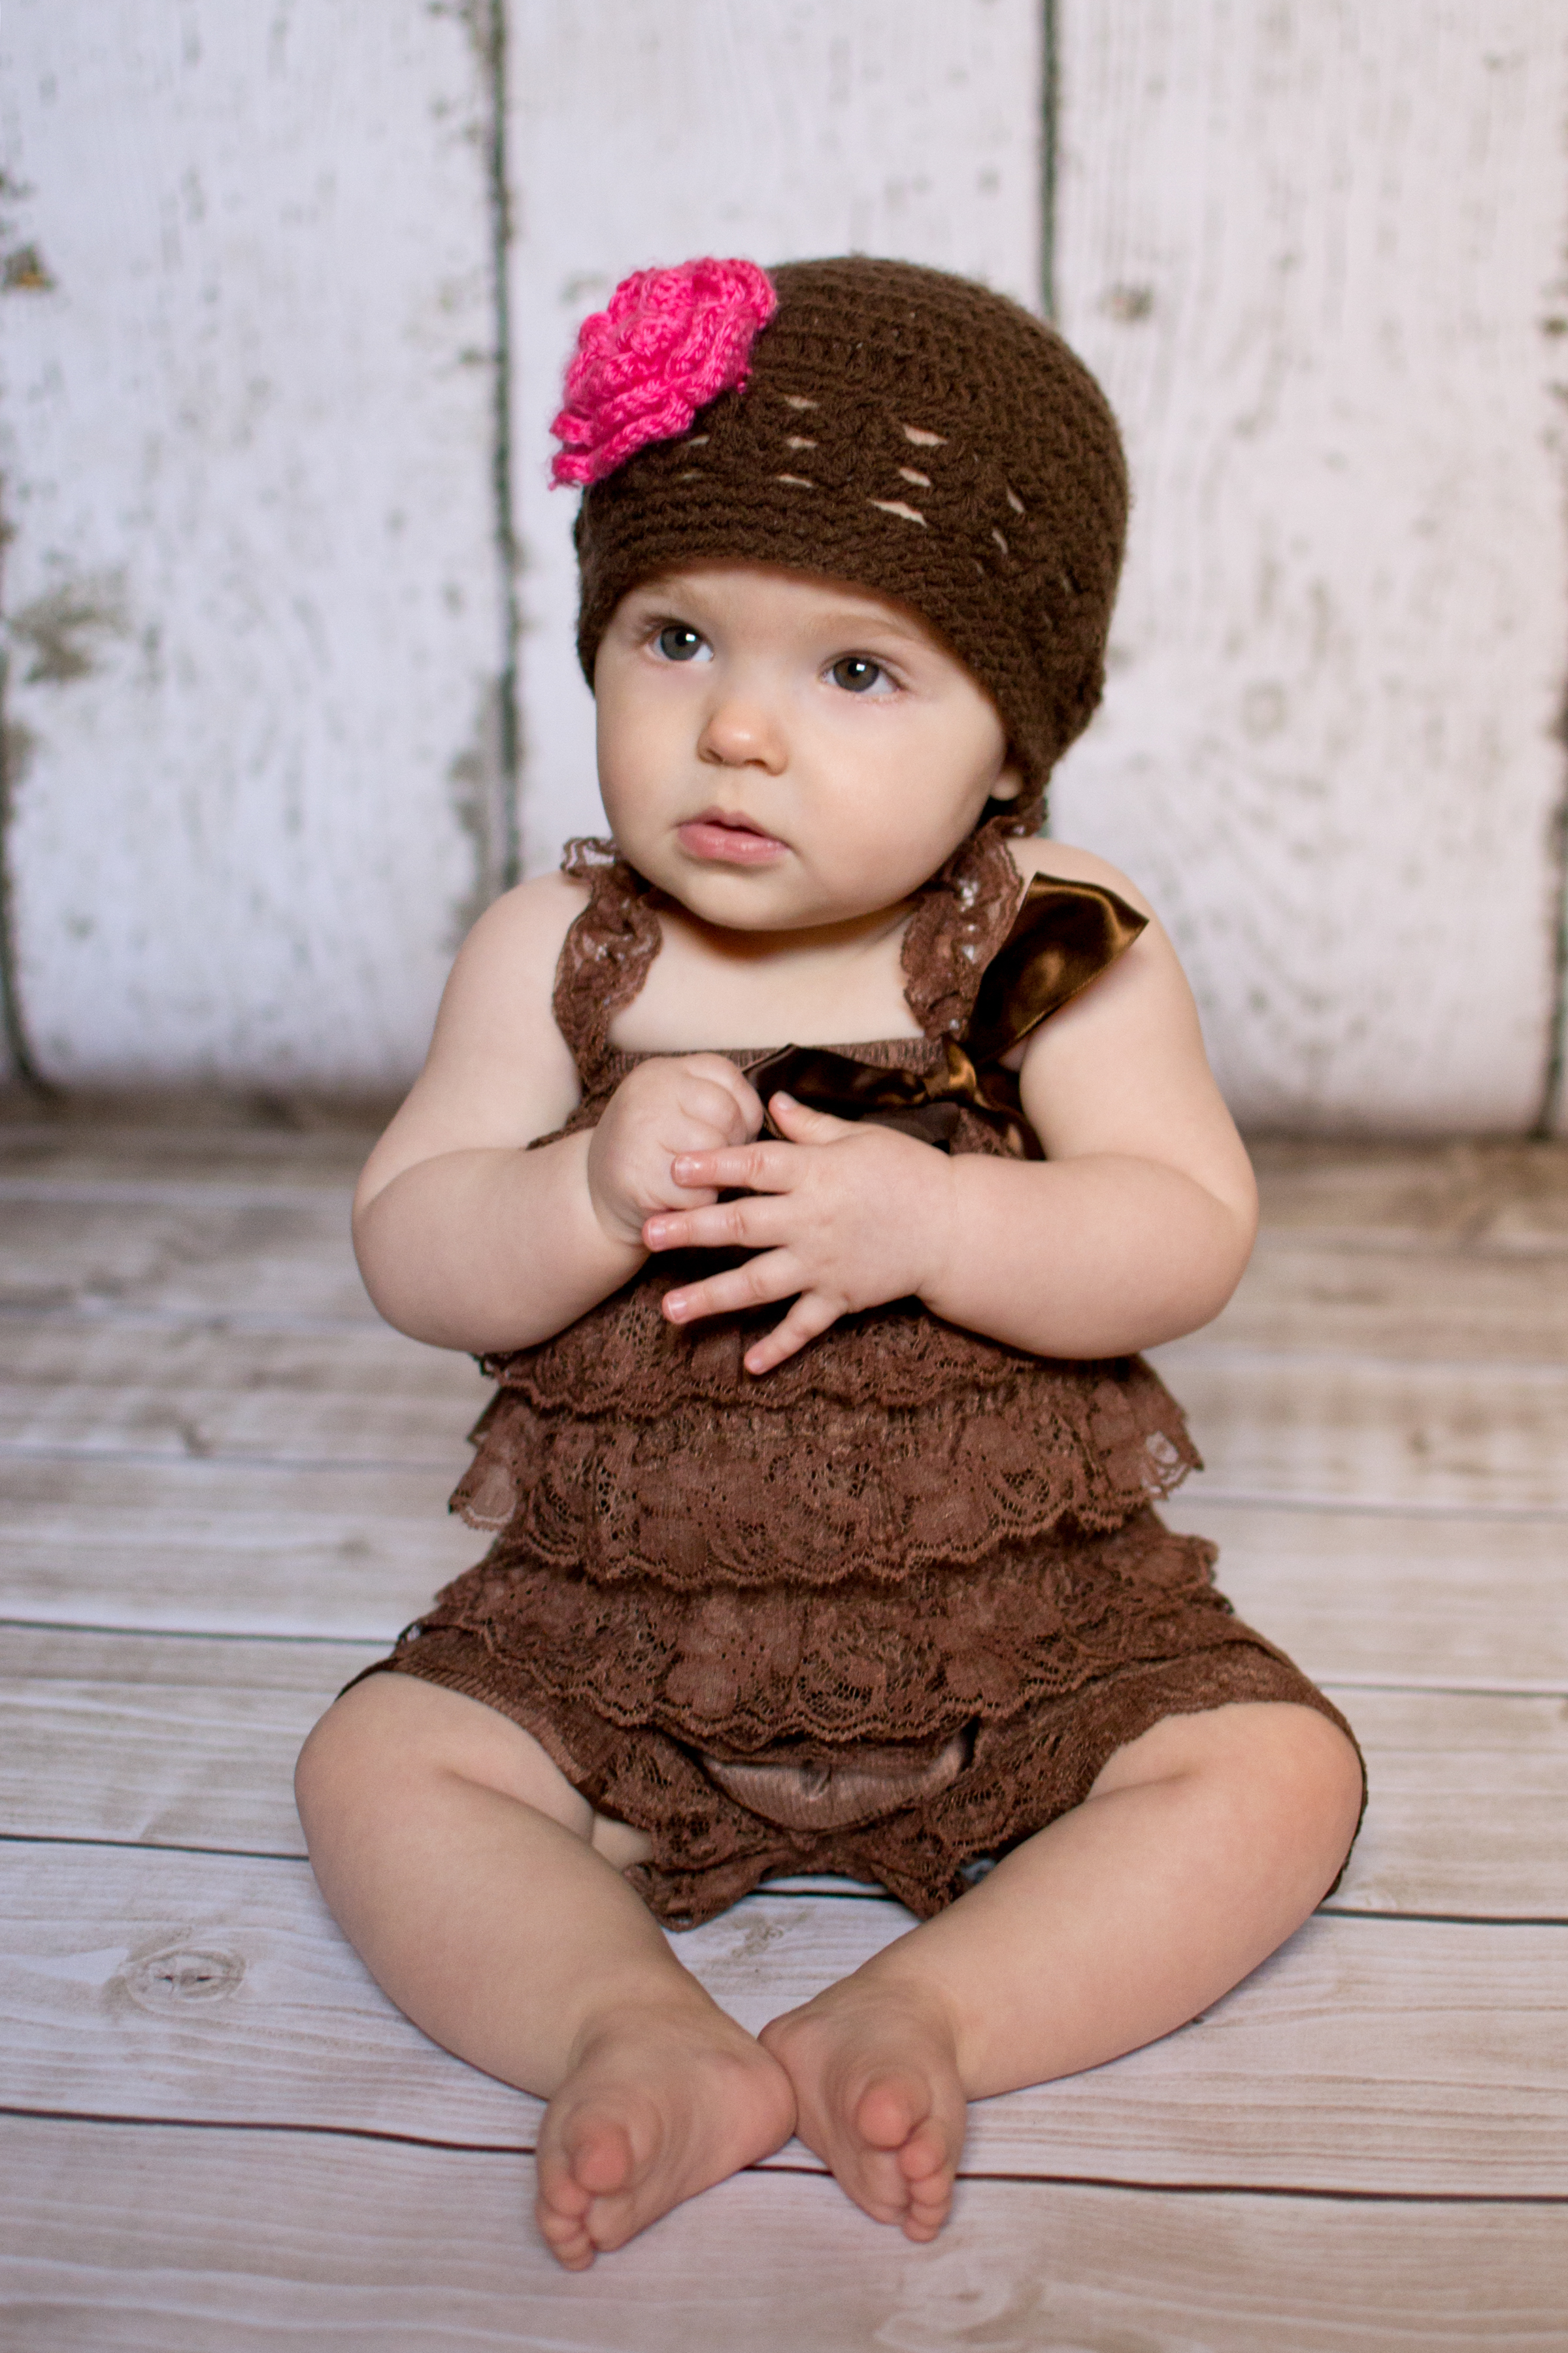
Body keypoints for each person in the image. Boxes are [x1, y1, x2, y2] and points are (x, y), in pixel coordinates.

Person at [295, 255, 1365, 2272]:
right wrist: (581, 1192)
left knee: (1274, 1780)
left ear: (1009, 745)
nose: (738, 731)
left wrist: (942, 1219)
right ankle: (622, 2023)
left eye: (857, 673)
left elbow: (1183, 1228)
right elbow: (414, 1244)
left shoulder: (1046, 939)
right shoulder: (558, 953)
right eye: (677, 637)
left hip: (1022, 1644)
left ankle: (934, 2011)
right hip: (626, 1647)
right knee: (380, 1762)